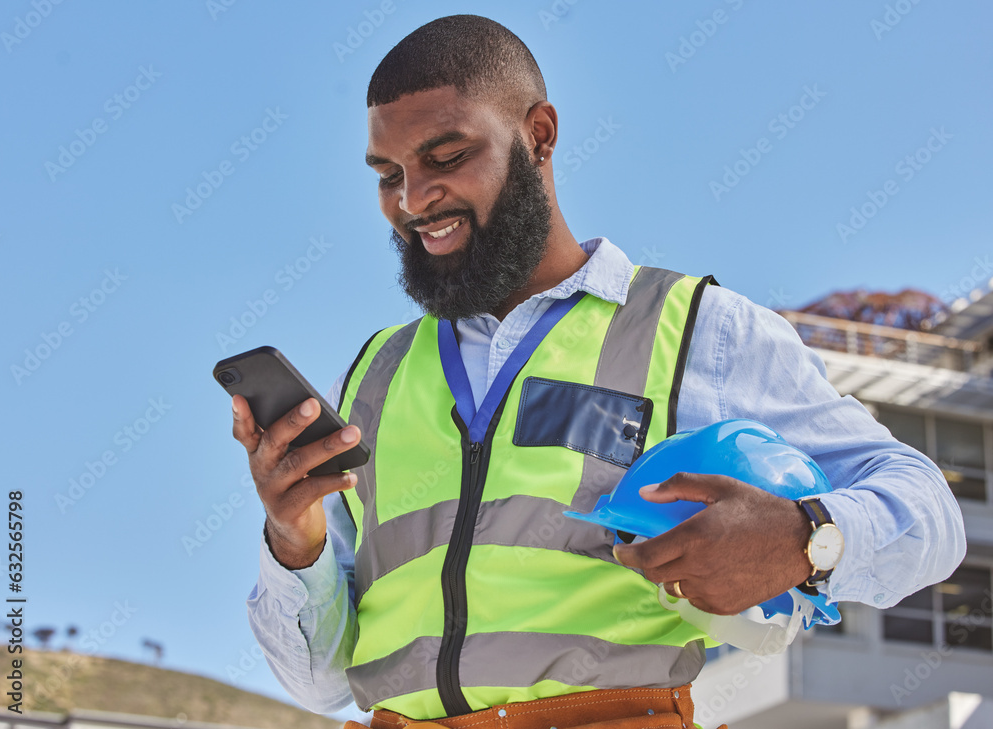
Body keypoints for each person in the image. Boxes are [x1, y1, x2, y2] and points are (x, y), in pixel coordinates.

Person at [230, 14, 966, 729]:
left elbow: (931, 513)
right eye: (389, 174)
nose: (414, 201)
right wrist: (294, 540)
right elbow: (322, 681)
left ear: (539, 136)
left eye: (447, 158)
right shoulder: (373, 378)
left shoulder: (694, 329)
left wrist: (807, 538)